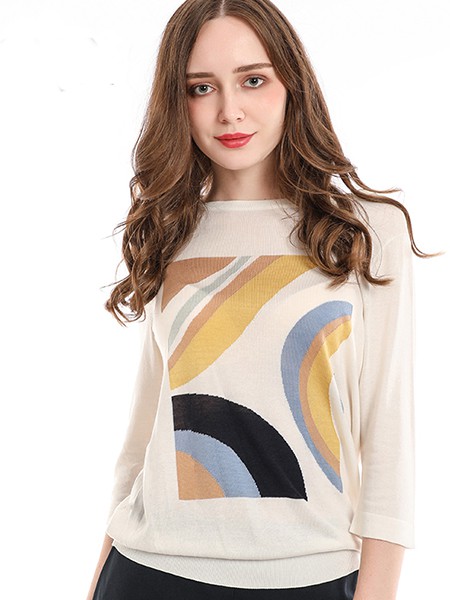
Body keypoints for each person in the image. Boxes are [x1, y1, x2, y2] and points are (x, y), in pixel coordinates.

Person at [86, 1, 435, 598]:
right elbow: (144, 433)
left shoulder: (366, 232)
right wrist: (96, 580)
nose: (230, 111)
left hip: (313, 573)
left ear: (291, 84)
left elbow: (389, 443)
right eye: (201, 88)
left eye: (253, 80)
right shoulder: (171, 230)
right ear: (177, 101)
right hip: (150, 571)